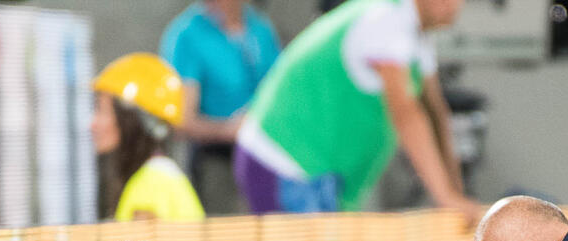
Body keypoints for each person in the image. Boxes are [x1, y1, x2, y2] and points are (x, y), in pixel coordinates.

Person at [235, 0, 481, 224]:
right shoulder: (386, 19)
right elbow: (406, 114)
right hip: (285, 161)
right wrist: (447, 198)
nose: (458, 5)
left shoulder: (417, 36)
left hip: (318, 173)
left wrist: (457, 197)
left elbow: (434, 113)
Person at [159, 0, 281, 214]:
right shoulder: (188, 34)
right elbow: (181, 121)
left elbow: (280, 88)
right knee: (228, 234)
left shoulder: (260, 28)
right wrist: (230, 129)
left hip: (265, 152)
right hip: (217, 158)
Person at [91, 53, 206, 222]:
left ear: (133, 120)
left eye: (101, 110)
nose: (92, 123)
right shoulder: (158, 175)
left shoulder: (150, 188)